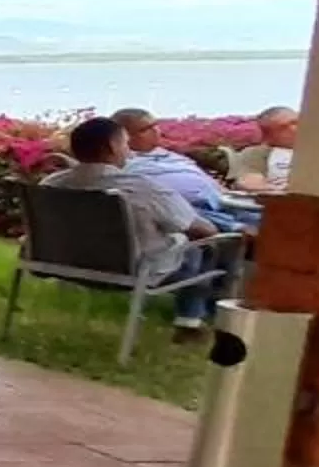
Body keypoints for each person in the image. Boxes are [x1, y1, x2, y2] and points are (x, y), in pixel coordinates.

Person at [45, 115, 236, 338]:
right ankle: (191, 321)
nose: (130, 151)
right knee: (205, 245)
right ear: (112, 147)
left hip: (59, 263)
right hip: (132, 271)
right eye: (125, 143)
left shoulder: (51, 184)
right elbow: (204, 231)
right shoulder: (142, 188)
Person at [113, 107, 252, 230]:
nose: (156, 131)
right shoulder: (124, 162)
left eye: (155, 125)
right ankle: (239, 230)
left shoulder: (172, 156)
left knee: (266, 217)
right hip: (188, 211)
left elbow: (206, 180)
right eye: (146, 129)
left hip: (223, 203)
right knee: (184, 210)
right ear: (125, 136)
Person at [235, 105, 299, 194]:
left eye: (298, 122)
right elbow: (250, 182)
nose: (296, 128)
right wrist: (281, 190)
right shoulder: (256, 153)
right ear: (268, 135)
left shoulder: (318, 150)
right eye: (285, 127)